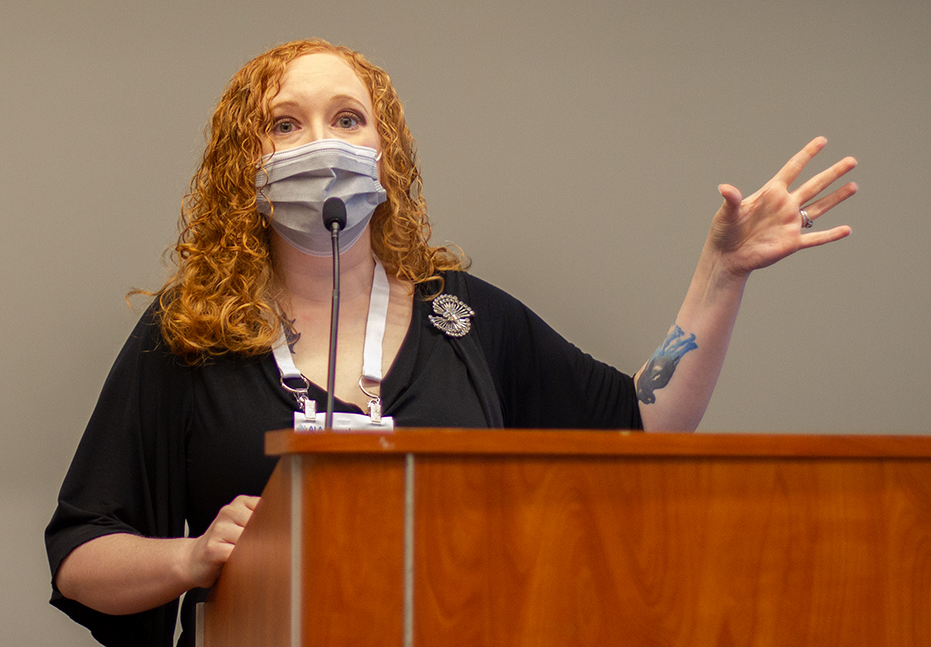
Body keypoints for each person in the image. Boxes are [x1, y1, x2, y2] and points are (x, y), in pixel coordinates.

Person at [45, 38, 857, 646]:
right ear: (243, 167)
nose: (322, 142)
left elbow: (643, 426)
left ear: (385, 158)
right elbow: (80, 554)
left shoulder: (462, 317)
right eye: (284, 124)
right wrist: (193, 560)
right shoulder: (190, 330)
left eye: (348, 118)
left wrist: (722, 273)